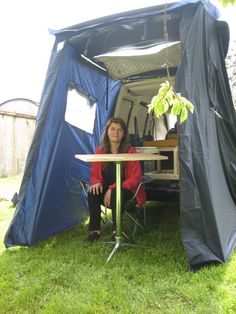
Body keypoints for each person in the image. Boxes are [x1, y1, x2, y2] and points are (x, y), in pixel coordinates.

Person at [87, 117, 146, 242]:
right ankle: (95, 230)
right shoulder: (100, 152)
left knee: (116, 192)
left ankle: (116, 231)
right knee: (92, 191)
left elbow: (136, 178)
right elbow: (95, 174)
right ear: (107, 131)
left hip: (127, 190)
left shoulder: (131, 153)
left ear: (124, 134)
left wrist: (111, 189)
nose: (116, 132)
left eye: (120, 130)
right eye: (113, 129)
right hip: (107, 189)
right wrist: (96, 182)